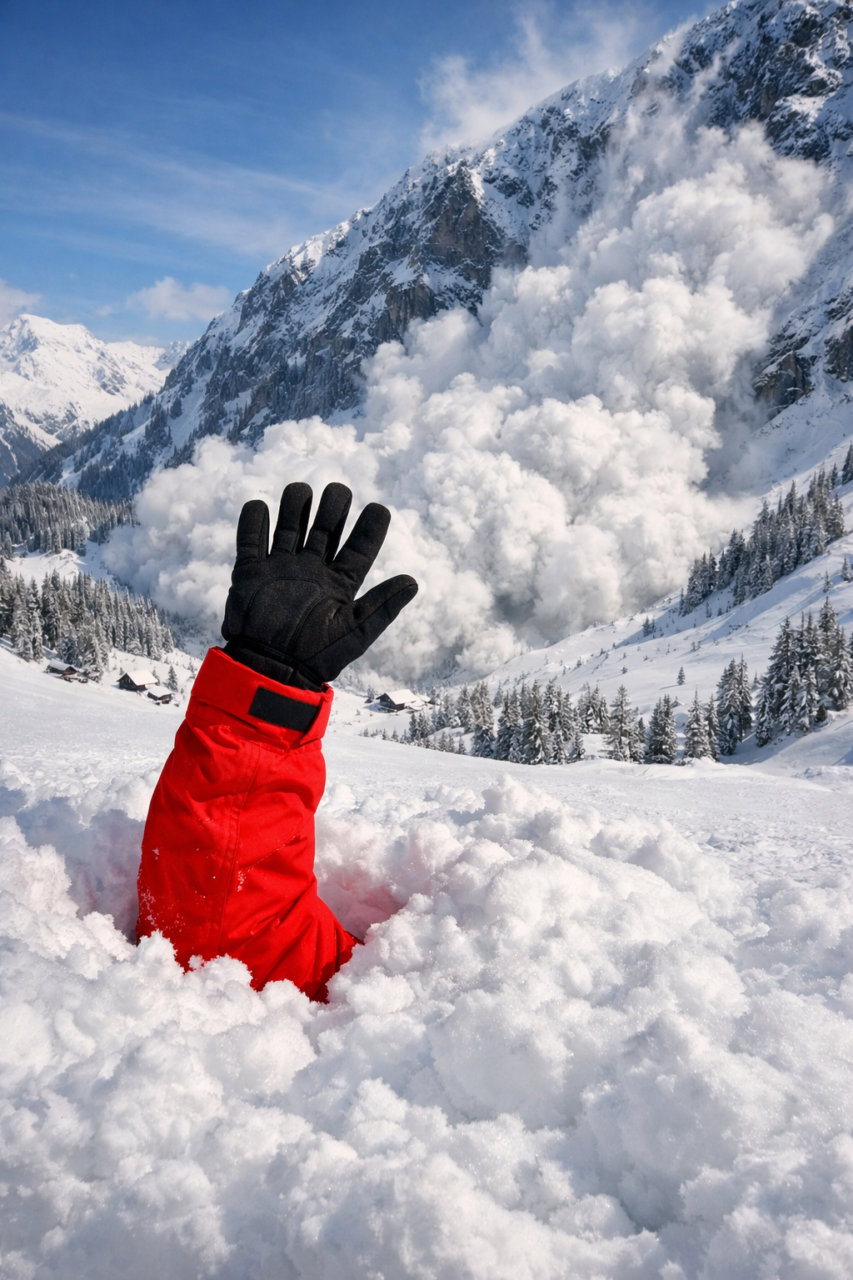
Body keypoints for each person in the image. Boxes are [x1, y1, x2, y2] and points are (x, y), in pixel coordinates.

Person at [136, 481, 418, 1001]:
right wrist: (273, 684)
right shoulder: (372, 1004)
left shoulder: (276, 959)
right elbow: (220, 911)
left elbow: (212, 882)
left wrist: (259, 687)